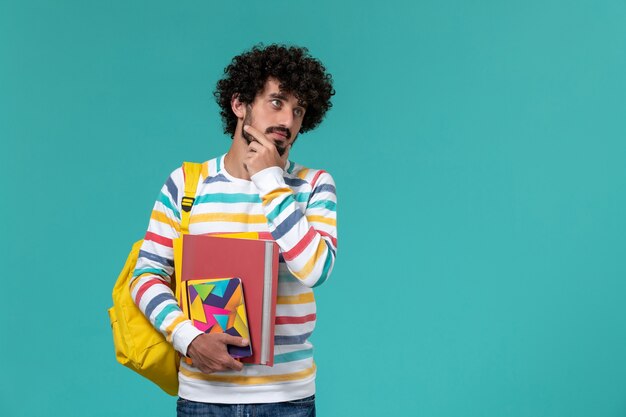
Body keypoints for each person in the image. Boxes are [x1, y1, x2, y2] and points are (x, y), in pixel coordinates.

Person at [130, 44, 337, 417]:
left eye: (299, 110)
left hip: (286, 399)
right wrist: (189, 339)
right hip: (203, 397)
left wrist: (272, 179)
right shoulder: (186, 185)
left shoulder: (313, 185)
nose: (288, 121)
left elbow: (314, 269)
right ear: (239, 104)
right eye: (277, 102)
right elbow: (145, 277)